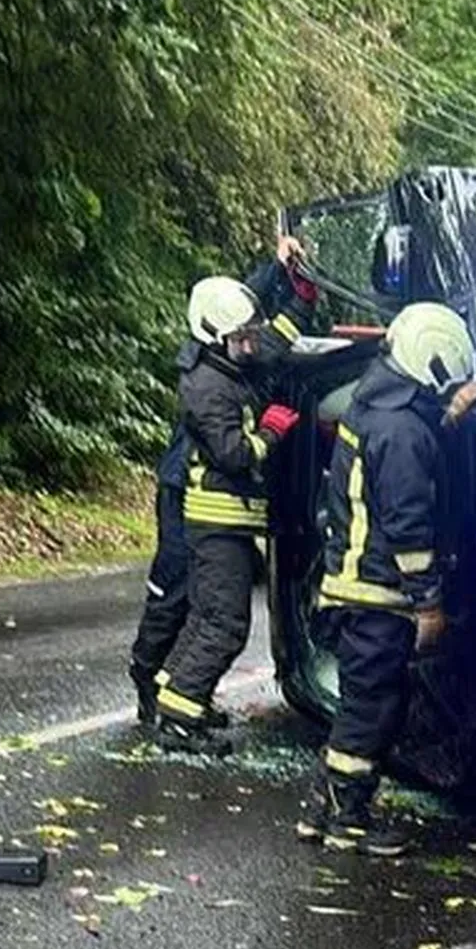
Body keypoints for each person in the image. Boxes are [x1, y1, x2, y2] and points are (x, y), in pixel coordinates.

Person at [295, 302, 476, 857]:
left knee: (367, 704)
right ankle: (348, 820)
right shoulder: (400, 430)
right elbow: (408, 526)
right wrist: (429, 604)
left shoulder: (378, 407)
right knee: (371, 709)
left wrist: (450, 420)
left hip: (357, 591)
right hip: (378, 597)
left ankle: (324, 808)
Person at [129, 237, 317, 737]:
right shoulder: (208, 376)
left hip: (220, 503)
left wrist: (297, 290)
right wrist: (269, 435)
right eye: (241, 336)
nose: (250, 341)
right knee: (179, 594)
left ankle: (179, 693)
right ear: (218, 337)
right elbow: (233, 450)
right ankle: (153, 681)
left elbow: (262, 330)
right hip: (189, 494)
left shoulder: (236, 354)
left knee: (209, 608)